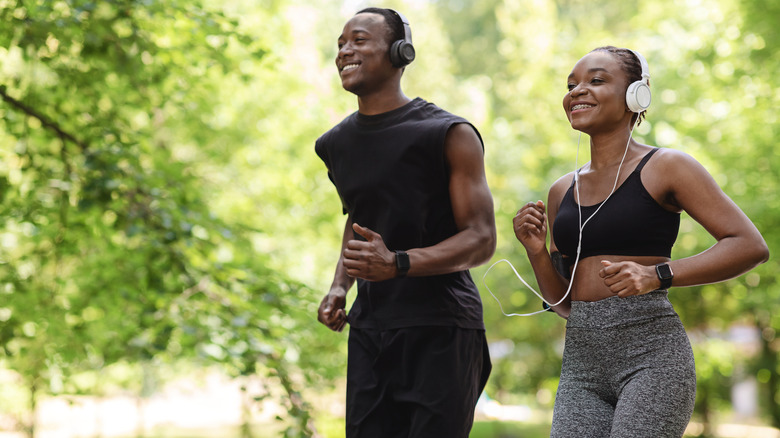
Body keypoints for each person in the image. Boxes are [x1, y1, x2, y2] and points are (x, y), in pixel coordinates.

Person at [513, 46, 769, 437]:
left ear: (637, 94)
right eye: (571, 85)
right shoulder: (561, 190)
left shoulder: (667, 166)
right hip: (581, 367)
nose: (577, 91)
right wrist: (535, 251)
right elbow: (563, 304)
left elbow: (749, 245)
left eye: (596, 80)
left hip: (652, 358)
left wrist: (657, 275)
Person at [314, 7, 496, 438]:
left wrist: (398, 263)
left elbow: (482, 239)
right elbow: (358, 220)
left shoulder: (448, 133)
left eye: (358, 40)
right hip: (370, 330)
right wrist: (341, 285)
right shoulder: (335, 143)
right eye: (341, 43)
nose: (345, 51)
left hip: (442, 328)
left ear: (400, 52)